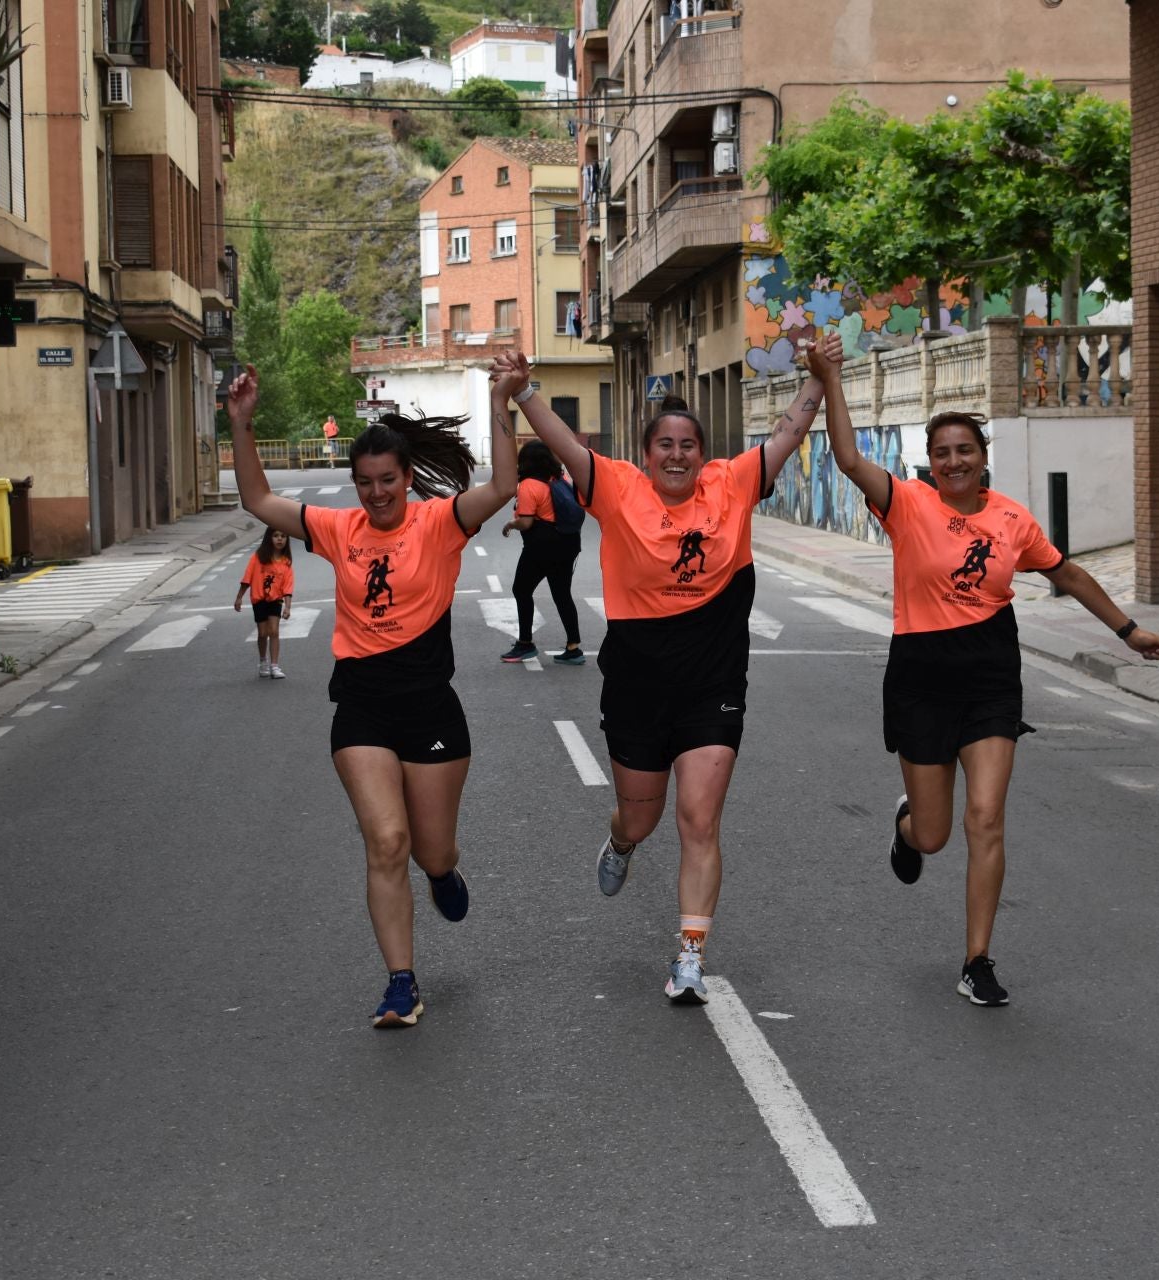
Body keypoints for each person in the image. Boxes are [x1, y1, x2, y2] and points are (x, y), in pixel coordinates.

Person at [805, 341, 1159, 1008]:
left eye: (964, 450)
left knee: (987, 818)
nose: (953, 461)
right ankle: (907, 825)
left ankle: (977, 959)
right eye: (942, 452)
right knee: (937, 835)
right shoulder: (907, 504)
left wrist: (1127, 630)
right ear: (931, 462)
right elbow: (850, 458)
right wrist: (830, 380)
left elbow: (1069, 573)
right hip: (921, 674)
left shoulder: (1011, 519)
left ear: (982, 458)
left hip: (991, 673)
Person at [490, 340, 838, 1005]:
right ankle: (621, 842)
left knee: (699, 820)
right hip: (637, 687)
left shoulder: (731, 486)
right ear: (646, 454)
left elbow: (790, 432)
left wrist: (818, 381)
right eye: (665, 445)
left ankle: (690, 956)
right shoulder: (616, 489)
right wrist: (525, 390)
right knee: (641, 820)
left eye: (688, 445)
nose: (677, 455)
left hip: (712, 688)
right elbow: (563, 444)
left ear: (702, 453)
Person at [225, 363, 517, 1029]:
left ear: (407, 477)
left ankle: (443, 872)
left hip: (430, 708)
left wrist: (503, 401)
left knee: (429, 851)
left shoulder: (441, 523)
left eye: (388, 480)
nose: (377, 493)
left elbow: (504, 484)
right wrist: (240, 425)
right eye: (365, 483)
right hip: (361, 708)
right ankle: (401, 983)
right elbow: (259, 502)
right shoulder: (338, 530)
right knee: (386, 841)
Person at [499, 439, 585, 666]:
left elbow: (526, 523)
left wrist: (510, 524)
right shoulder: (558, 479)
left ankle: (525, 643)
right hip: (567, 544)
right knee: (562, 594)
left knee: (521, 589)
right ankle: (573, 648)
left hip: (541, 548)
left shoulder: (529, 485)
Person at [234, 526, 295, 679]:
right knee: (263, 633)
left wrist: (287, 607)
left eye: (283, 536)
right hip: (259, 599)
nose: (280, 539)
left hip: (276, 600)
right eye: (276, 536)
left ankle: (274, 666)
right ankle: (263, 661)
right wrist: (239, 597)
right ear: (269, 538)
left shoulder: (286, 562)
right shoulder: (258, 558)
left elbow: (288, 586)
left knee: (274, 631)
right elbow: (247, 578)